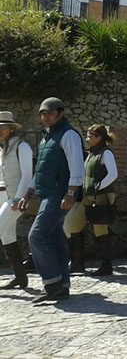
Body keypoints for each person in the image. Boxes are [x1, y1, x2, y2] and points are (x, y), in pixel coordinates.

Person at [19, 98, 85, 303]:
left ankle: (52, 284)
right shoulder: (47, 137)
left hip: (60, 194)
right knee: (55, 238)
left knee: (37, 236)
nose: (45, 116)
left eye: (49, 112)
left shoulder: (69, 134)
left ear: (60, 113)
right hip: (50, 193)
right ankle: (62, 285)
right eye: (42, 113)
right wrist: (28, 192)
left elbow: (77, 167)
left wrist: (70, 194)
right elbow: (41, 169)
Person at [63, 125, 118, 276]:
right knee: (70, 224)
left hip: (101, 196)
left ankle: (106, 266)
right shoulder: (91, 153)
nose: (87, 139)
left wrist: (98, 186)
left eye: (90, 136)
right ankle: (77, 263)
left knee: (100, 229)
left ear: (99, 137)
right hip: (87, 196)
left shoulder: (106, 153)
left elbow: (113, 174)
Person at [0, 112, 32, 289]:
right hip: (1, 196)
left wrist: (19, 198)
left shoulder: (22, 147)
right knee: (7, 237)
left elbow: (27, 175)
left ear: (11, 129)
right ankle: (20, 277)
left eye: (2, 127)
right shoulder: (2, 149)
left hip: (14, 197)